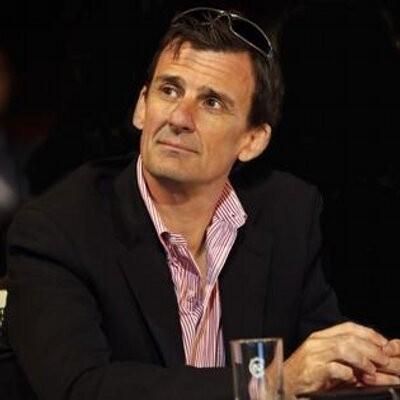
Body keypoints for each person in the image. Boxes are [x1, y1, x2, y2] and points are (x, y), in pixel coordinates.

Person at [4, 7, 400, 400]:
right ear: (142, 106)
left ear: (253, 140)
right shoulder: (56, 230)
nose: (179, 117)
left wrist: (368, 367)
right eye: (169, 90)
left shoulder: (286, 212)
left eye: (211, 102)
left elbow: (316, 361)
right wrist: (267, 383)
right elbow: (80, 387)